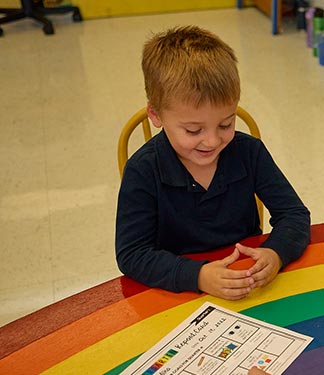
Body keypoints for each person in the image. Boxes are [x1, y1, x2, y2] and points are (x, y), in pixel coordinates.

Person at [115, 26, 310, 301]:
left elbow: (294, 215)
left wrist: (275, 252)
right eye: (193, 131)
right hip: (177, 290)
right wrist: (198, 276)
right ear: (155, 114)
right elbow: (132, 254)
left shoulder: (248, 152)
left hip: (246, 282)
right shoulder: (143, 170)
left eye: (226, 124)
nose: (212, 141)